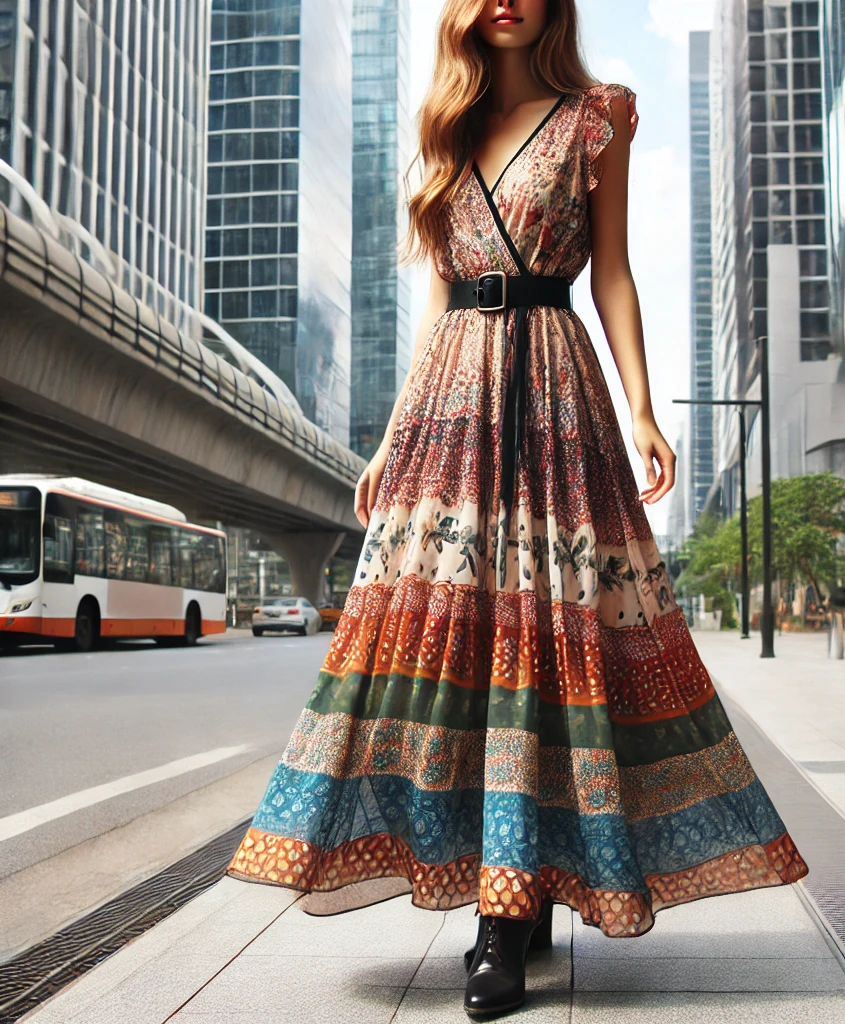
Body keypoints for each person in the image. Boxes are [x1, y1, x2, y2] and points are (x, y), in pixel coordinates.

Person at [227, 0, 809, 1018]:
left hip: (549, 387)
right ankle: (507, 881)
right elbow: (437, 301)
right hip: (450, 400)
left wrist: (640, 406)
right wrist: (390, 430)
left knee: (546, 642)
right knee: (449, 644)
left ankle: (508, 914)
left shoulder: (599, 116)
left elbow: (612, 272)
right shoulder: (443, 126)